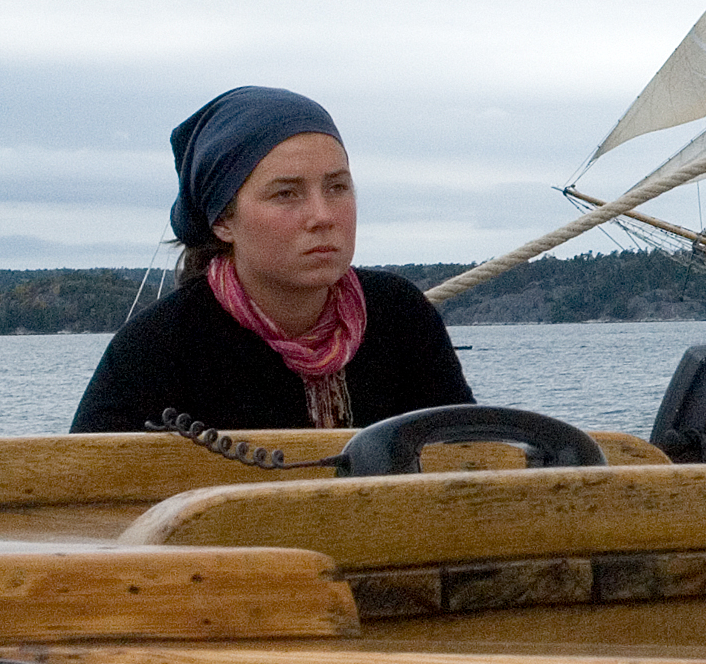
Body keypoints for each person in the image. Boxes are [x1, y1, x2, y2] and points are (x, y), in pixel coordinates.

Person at [74, 87, 473, 433]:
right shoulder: (157, 351)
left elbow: (471, 456)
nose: (323, 215)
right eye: (286, 194)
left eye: (337, 187)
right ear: (224, 221)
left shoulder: (399, 316)